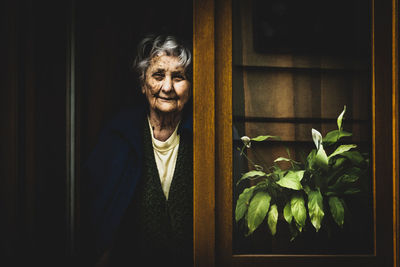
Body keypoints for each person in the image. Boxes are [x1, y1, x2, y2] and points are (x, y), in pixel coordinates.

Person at [83, 34, 193, 266]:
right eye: (158, 75)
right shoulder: (119, 135)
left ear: (191, 86)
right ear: (143, 84)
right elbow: (101, 210)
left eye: (179, 77)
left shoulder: (204, 134)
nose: (167, 87)